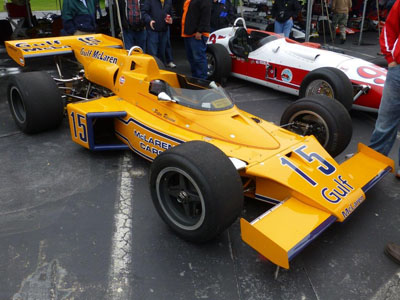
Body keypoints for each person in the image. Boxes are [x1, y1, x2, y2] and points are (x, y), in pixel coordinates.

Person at [367, 0, 400, 264]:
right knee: (385, 120)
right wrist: (390, 59)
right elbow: (390, 28)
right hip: (398, 68)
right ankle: (370, 168)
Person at [181, 0, 211, 79]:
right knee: (191, 58)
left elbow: (206, 15)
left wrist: (200, 31)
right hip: (188, 33)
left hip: (197, 34)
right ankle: (195, 79)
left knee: (199, 58)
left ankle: (202, 81)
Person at [141, 0, 173, 64]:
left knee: (162, 53)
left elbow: (170, 13)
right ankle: (153, 70)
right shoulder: (149, 1)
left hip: (164, 30)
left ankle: (161, 69)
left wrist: (171, 19)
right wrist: (149, 20)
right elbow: (144, 12)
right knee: (153, 53)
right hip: (153, 31)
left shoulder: (168, 1)